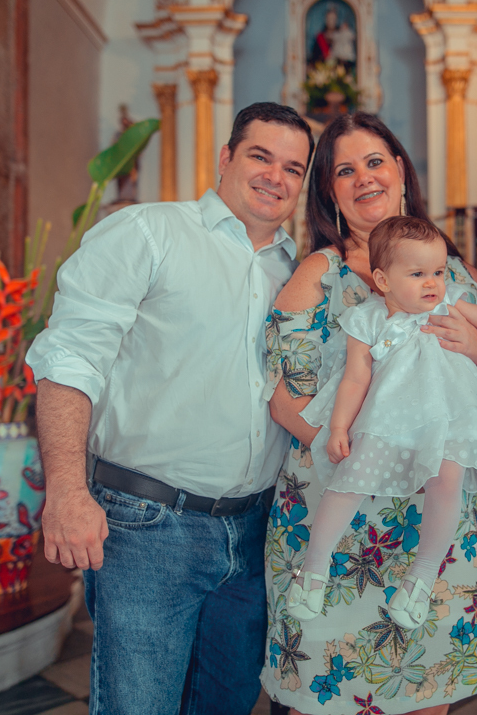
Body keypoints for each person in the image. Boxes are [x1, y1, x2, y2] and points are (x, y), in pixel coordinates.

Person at [25, 102, 313, 715]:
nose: (275, 176)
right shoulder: (148, 232)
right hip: (149, 527)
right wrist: (67, 492)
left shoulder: (300, 271)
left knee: (226, 704)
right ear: (226, 158)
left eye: (293, 167)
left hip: (256, 531)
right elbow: (71, 358)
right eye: (260, 156)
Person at [263, 112, 477, 713]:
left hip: (436, 526)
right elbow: (283, 398)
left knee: (427, 697)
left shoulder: (456, 279)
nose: (364, 177)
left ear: (400, 169)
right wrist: (374, 458)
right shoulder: (319, 276)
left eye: (375, 161)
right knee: (325, 701)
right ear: (330, 192)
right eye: (345, 170)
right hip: (339, 517)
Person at [286, 216, 477, 629]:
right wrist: (338, 427)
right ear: (383, 280)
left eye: (439, 272)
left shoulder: (450, 303)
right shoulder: (367, 319)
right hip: (388, 420)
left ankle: (421, 580)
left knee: (448, 483)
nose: (433, 283)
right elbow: (355, 378)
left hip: (447, 419)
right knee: (349, 483)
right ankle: (313, 572)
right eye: (418, 273)